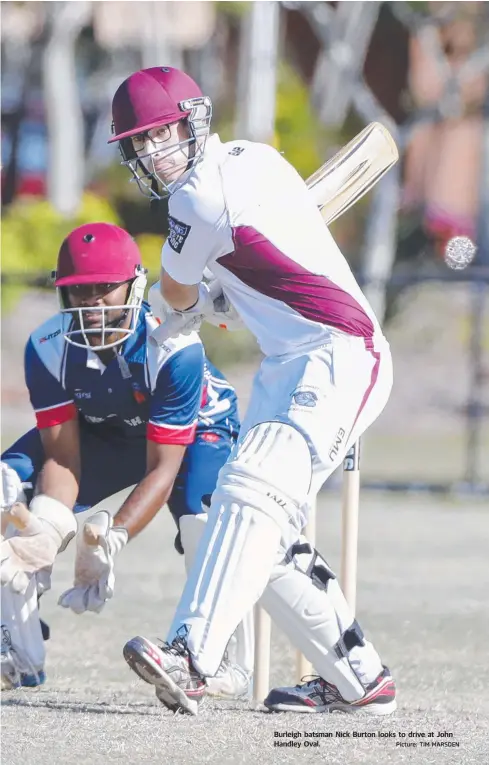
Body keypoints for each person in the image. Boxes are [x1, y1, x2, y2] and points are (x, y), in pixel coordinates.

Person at [109, 66, 397, 716]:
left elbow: (179, 293)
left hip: (339, 353)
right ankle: (359, 680)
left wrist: (185, 302)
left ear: (193, 123)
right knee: (248, 528)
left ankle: (190, 657)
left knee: (250, 492)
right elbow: (265, 267)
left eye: (163, 134)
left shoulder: (195, 201)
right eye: (141, 143)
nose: (155, 152)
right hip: (286, 364)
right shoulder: (258, 161)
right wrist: (222, 294)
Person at [0, 222, 252, 699]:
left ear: (135, 286)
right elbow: (62, 454)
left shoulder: (173, 345)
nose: (91, 302)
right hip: (104, 426)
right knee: (8, 494)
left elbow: (163, 467)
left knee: (202, 524)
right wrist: (49, 528)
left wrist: (112, 538)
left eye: (103, 288)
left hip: (197, 428)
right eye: (79, 291)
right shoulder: (47, 346)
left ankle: (219, 662)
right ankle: (17, 649)